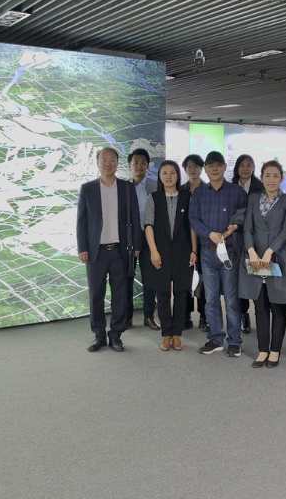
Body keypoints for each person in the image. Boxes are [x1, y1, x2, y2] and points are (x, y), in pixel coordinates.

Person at [76, 147, 142, 353]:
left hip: (120, 251)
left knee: (120, 295)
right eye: (104, 160)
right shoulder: (87, 189)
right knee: (96, 294)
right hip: (96, 252)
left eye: (112, 160)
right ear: (97, 162)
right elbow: (81, 222)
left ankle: (116, 335)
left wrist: (137, 246)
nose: (108, 163)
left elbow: (135, 217)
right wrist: (82, 248)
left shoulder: (126, 188)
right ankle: (99, 335)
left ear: (117, 163)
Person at [238, 161, 286, 368]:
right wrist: (251, 251)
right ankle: (263, 349)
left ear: (281, 177)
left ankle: (275, 350)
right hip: (255, 258)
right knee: (260, 305)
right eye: (267, 175)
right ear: (261, 177)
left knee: (277, 305)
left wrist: (270, 251)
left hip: (278, 258)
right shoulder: (254, 198)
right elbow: (247, 228)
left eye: (275, 175)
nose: (271, 179)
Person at [189, 151, 248, 357]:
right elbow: (194, 219)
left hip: (229, 252)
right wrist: (209, 234)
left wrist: (233, 226)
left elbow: (243, 213)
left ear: (224, 167)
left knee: (231, 299)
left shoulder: (236, 191)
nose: (214, 169)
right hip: (207, 252)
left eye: (218, 165)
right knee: (211, 298)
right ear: (205, 169)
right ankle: (215, 338)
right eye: (210, 165)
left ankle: (235, 341)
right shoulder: (199, 193)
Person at [143, 161, 198, 351]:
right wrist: (153, 251)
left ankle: (177, 334)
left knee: (182, 293)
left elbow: (192, 226)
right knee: (163, 293)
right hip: (161, 252)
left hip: (183, 253)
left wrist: (194, 250)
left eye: (172, 173)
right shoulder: (153, 198)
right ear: (159, 176)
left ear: (178, 175)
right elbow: (148, 226)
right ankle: (166, 333)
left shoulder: (187, 196)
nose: (168, 176)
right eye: (164, 173)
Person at [127, 148, 160, 330]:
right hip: (129, 239)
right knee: (127, 278)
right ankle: (127, 317)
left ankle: (149, 316)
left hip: (150, 237)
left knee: (150, 280)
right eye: (135, 163)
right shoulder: (124, 187)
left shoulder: (155, 185)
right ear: (130, 165)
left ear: (148, 166)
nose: (139, 166)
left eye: (143, 163)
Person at [233, 154, 264, 333]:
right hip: (235, 238)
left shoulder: (260, 187)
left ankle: (259, 315)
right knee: (239, 280)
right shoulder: (230, 186)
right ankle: (243, 315)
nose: (245, 168)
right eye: (242, 165)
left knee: (255, 277)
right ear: (237, 167)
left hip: (255, 238)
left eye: (249, 165)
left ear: (253, 167)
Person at [182, 154, 206, 331]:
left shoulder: (208, 189)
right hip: (184, 241)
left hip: (205, 240)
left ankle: (204, 316)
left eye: (196, 166)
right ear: (185, 169)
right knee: (186, 278)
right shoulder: (181, 190)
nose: (193, 169)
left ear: (201, 168)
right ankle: (186, 315)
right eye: (189, 166)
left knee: (204, 280)